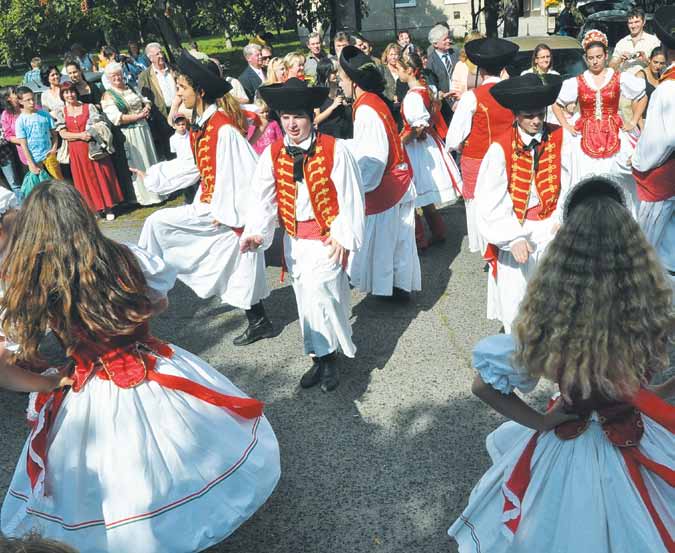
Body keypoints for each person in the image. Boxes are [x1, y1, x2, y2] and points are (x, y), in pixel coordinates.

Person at [0, 181, 281, 552]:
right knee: (176, 450)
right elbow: (158, 302)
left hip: (91, 382)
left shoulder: (35, 283)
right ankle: (187, 520)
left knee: (116, 474)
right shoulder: (126, 256)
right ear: (83, 215)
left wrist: (46, 383)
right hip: (148, 360)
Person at [448, 175, 675, 553]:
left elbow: (483, 386)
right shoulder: (656, 298)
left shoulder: (551, 316)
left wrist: (541, 421)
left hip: (573, 434)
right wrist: (660, 392)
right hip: (641, 431)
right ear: (631, 241)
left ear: (567, 247)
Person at [137, 50, 274, 346]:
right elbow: (194, 165)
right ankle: (259, 320)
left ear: (199, 92)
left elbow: (245, 174)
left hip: (224, 209)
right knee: (230, 264)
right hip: (213, 205)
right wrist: (152, 176)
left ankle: (144, 289)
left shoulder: (223, 129)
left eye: (183, 88)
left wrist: (227, 214)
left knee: (159, 223)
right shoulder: (204, 125)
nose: (178, 93)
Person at [241, 78, 365, 392]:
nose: (292, 125)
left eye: (298, 117)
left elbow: (351, 196)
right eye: (285, 118)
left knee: (323, 295)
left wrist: (342, 235)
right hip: (295, 241)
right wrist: (256, 232)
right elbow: (261, 197)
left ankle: (330, 358)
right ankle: (319, 357)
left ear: (311, 118)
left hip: (326, 238)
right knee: (305, 300)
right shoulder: (272, 154)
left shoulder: (335, 149)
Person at [475, 73, 572, 332]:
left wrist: (563, 217)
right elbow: (490, 201)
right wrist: (513, 237)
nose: (537, 121)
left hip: (552, 225)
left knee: (558, 293)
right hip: (517, 227)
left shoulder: (561, 138)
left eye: (541, 114)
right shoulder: (500, 148)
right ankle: (519, 348)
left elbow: (572, 181)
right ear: (516, 114)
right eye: (529, 116)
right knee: (517, 297)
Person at [340, 46, 421, 300]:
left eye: (342, 79)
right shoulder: (373, 101)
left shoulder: (366, 109)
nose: (339, 83)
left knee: (387, 243)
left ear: (353, 83)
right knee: (397, 241)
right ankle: (395, 287)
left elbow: (374, 157)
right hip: (397, 178)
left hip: (386, 184)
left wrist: (356, 187)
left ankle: (392, 290)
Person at [553, 30, 647, 216]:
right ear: (585, 59)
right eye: (590, 58)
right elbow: (557, 104)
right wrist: (566, 125)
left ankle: (623, 216)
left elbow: (641, 96)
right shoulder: (578, 81)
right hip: (584, 134)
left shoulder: (618, 77)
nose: (595, 61)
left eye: (598, 57)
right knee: (583, 176)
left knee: (621, 175)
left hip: (614, 132)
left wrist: (634, 120)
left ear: (606, 56)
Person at [446, 38, 519, 254]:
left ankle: (488, 249)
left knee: (479, 203)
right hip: (508, 154)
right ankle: (506, 242)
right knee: (506, 197)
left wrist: (458, 145)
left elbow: (453, 138)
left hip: (477, 157)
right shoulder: (513, 91)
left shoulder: (472, 97)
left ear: (481, 70)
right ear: (503, 68)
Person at [396, 53, 462, 250]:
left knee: (412, 194)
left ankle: (418, 240)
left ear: (409, 71)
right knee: (422, 194)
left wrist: (400, 142)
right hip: (427, 144)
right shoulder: (425, 89)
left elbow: (418, 128)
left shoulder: (413, 96)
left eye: (399, 69)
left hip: (417, 148)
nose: (398, 72)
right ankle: (438, 231)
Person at [632, 5, 675, 282]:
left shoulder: (667, 89)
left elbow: (663, 140)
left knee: (646, 255)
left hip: (664, 181)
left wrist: (637, 159)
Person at [56, 81, 123, 220]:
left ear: (76, 92)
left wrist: (91, 132)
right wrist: (80, 135)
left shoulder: (88, 107)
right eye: (66, 92)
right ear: (62, 95)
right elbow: (63, 134)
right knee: (84, 180)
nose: (70, 95)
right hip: (77, 151)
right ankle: (94, 209)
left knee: (101, 175)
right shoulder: (61, 112)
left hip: (93, 147)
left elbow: (98, 124)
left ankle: (109, 207)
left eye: (72, 91)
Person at [101, 62, 162, 206]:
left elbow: (145, 100)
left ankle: (158, 192)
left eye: (119, 74)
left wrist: (147, 107)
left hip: (144, 128)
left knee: (150, 159)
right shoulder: (108, 96)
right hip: (129, 133)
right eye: (113, 76)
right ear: (108, 78)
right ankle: (146, 196)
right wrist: (138, 117)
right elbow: (117, 118)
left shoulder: (131, 88)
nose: (117, 77)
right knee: (139, 162)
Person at [138, 42, 177, 160]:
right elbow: (144, 99)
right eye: (157, 54)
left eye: (161, 53)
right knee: (170, 150)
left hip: (180, 112)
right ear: (150, 58)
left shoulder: (174, 69)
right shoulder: (144, 76)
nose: (161, 56)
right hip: (162, 117)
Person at [14, 86, 63, 180]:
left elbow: (54, 135)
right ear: (20, 101)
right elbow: (23, 145)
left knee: (58, 183)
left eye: (33, 99)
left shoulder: (44, 114)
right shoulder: (20, 121)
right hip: (35, 160)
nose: (32, 102)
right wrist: (31, 164)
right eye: (28, 100)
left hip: (49, 157)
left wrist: (53, 149)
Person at [425, 25, 460, 123]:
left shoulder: (456, 53)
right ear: (435, 44)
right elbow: (432, 86)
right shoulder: (431, 62)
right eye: (445, 39)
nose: (448, 40)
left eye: (448, 38)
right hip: (446, 105)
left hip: (461, 98)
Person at [609, 7, 660, 73]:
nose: (633, 26)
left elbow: (659, 67)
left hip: (644, 81)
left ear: (644, 22)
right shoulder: (621, 43)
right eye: (630, 23)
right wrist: (619, 60)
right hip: (624, 81)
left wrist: (646, 60)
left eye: (637, 22)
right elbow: (610, 68)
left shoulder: (653, 41)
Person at [313, 57, 353, 139]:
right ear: (325, 73)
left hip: (346, 133)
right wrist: (332, 107)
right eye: (333, 72)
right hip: (328, 136)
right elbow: (316, 120)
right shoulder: (318, 93)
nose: (337, 74)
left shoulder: (341, 87)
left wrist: (347, 103)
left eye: (337, 71)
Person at [0, 87, 24, 201]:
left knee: (15, 183)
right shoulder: (5, 113)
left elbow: (4, 136)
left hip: (4, 154)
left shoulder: (4, 114)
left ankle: (24, 205)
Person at [450, 31, 484, 99]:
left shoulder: (487, 63)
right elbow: (454, 90)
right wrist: (463, 97)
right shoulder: (460, 65)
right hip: (468, 105)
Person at [636, 47, 666, 123]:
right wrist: (640, 125)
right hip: (642, 120)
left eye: (661, 63)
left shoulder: (662, 76)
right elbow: (634, 104)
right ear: (649, 59)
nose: (658, 66)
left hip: (658, 120)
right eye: (655, 62)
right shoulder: (640, 76)